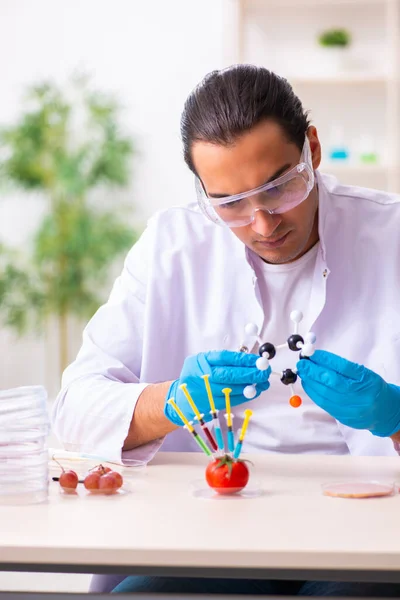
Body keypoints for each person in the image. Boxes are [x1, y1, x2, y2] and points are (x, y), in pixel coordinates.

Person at [52, 65, 400, 595]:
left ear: (312, 148)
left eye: (280, 187)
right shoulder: (172, 246)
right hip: (206, 529)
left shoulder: (391, 235)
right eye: (231, 203)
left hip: (366, 529)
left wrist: (394, 416)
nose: (263, 223)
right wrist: (171, 402)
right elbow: (73, 410)